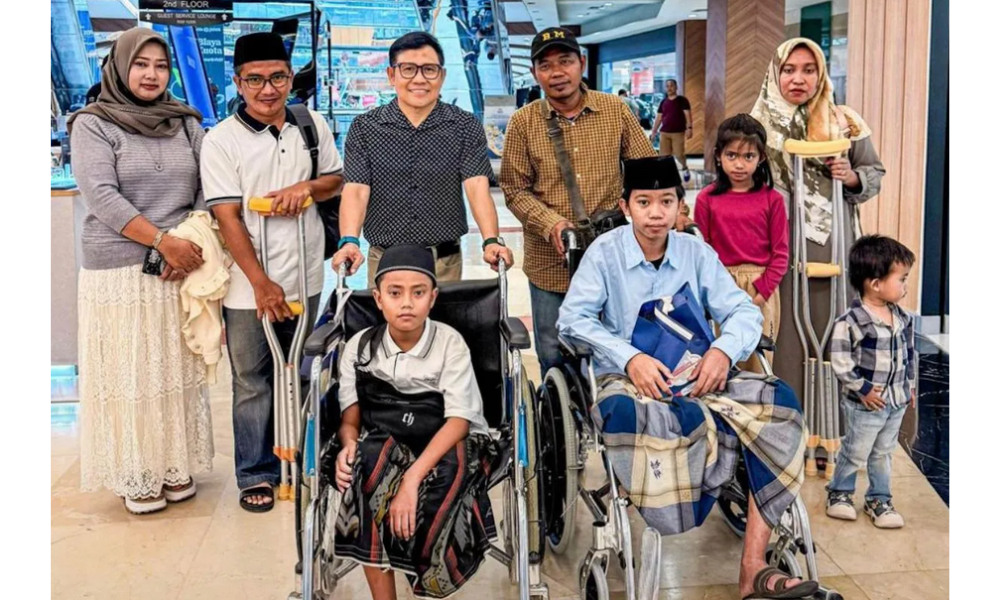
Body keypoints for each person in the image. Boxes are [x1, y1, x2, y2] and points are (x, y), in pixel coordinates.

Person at [557, 156, 817, 599]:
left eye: (666, 201)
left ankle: (753, 565)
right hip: (630, 380)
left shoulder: (695, 252)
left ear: (681, 206)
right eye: (644, 202)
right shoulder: (604, 254)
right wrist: (629, 358)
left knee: (781, 402)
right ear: (626, 206)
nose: (655, 213)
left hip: (698, 375)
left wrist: (722, 351)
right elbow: (572, 320)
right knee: (624, 415)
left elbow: (741, 311)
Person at [69, 27, 213, 515]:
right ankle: (137, 471)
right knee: (131, 372)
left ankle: (173, 463)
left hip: (178, 265)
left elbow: (206, 186)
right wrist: (162, 241)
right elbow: (101, 196)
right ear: (119, 67)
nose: (151, 75)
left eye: (160, 65)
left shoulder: (186, 122)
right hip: (119, 266)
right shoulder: (93, 123)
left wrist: (187, 239)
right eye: (141, 64)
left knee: (173, 369)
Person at [200, 32, 344, 512]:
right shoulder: (221, 140)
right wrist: (261, 284)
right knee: (252, 380)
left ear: (290, 76)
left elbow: (335, 179)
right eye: (255, 79)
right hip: (248, 285)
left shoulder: (310, 124)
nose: (268, 89)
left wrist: (306, 188)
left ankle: (303, 459)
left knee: (302, 371)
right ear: (238, 82)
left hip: (306, 273)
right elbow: (228, 217)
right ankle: (256, 472)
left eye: (278, 77)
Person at [333, 245, 498, 599]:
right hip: (389, 436)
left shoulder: (450, 344)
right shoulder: (360, 347)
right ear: (378, 299)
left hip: (449, 437)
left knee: (449, 475)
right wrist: (347, 445)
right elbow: (351, 420)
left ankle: (431, 574)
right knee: (363, 468)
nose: (406, 303)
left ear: (433, 297)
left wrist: (410, 481)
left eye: (418, 293)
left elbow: (459, 422)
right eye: (395, 293)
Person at [500, 26, 654, 373]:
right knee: (554, 353)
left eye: (565, 61)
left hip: (612, 254)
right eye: (545, 65)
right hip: (550, 263)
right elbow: (514, 189)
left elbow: (647, 170)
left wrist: (672, 212)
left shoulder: (614, 110)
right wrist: (551, 223)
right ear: (535, 73)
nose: (557, 72)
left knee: (618, 345)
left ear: (581, 63)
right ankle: (558, 407)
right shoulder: (523, 123)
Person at [751, 37, 886, 410]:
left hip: (834, 243)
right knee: (787, 330)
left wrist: (851, 176)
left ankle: (835, 417)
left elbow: (873, 172)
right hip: (780, 243)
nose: (799, 79)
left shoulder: (844, 122)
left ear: (821, 74)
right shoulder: (756, 125)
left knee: (838, 323)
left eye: (809, 70)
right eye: (789, 70)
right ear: (775, 73)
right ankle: (788, 413)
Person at [332, 32, 513, 288]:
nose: (419, 79)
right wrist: (349, 240)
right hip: (385, 260)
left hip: (444, 262)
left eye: (429, 69)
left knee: (444, 315)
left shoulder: (464, 125)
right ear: (391, 75)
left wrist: (491, 240)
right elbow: (356, 189)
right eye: (408, 69)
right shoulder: (365, 127)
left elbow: (476, 186)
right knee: (384, 316)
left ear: (442, 76)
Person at [827, 235, 916, 529]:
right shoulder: (851, 321)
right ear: (876, 284)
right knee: (855, 451)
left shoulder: (902, 318)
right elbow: (840, 360)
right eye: (901, 279)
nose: (905, 286)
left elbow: (909, 354)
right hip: (865, 404)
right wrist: (862, 389)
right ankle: (839, 493)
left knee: (883, 453)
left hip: (895, 400)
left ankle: (878, 499)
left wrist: (910, 385)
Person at [695, 114, 789, 370]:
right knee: (720, 360)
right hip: (720, 284)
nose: (739, 164)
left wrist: (760, 293)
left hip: (760, 286)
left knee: (759, 362)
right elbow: (702, 251)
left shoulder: (772, 200)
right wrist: (714, 289)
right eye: (732, 155)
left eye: (748, 156)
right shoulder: (706, 198)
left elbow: (780, 254)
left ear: (761, 158)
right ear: (718, 156)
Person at [649, 79, 692, 179]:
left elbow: (687, 115)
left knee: (679, 154)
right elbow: (659, 117)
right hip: (664, 132)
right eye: (667, 86)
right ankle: (666, 176)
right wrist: (654, 131)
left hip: (678, 132)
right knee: (663, 156)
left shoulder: (682, 100)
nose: (669, 88)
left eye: (671, 85)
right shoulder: (663, 102)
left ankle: (685, 168)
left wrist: (689, 128)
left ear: (676, 87)